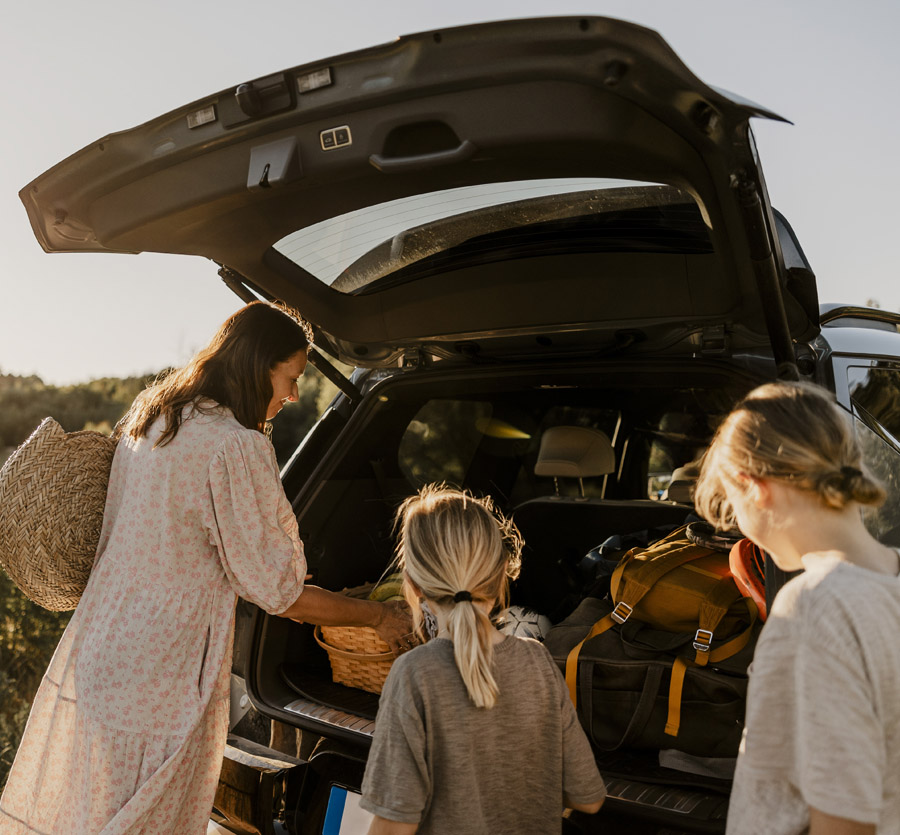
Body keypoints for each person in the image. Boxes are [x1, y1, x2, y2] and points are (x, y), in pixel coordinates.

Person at [0, 300, 411, 834]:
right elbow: (279, 595)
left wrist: (260, 571)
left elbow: (180, 544)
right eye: (290, 378)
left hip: (104, 655)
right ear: (259, 362)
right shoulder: (235, 445)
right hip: (159, 676)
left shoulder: (155, 420)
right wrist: (379, 618)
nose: (290, 395)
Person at [693, 381, 900, 835]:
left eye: (733, 502)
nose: (740, 525)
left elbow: (843, 824)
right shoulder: (889, 584)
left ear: (754, 486)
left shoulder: (814, 607)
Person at [360, 485, 606, 834]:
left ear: (413, 585)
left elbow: (393, 826)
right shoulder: (538, 661)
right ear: (502, 572)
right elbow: (588, 798)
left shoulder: (416, 674)